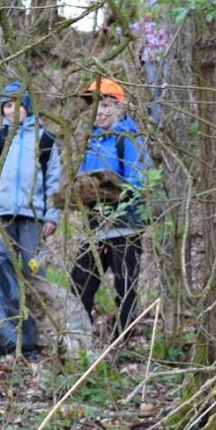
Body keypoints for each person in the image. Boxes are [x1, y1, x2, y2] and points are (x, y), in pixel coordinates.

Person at [69, 78, 153, 341]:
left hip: (125, 224)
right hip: (96, 225)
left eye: (106, 105)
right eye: (96, 106)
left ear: (120, 107)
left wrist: (112, 187)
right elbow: (82, 176)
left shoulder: (129, 139)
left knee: (125, 285)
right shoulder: (92, 141)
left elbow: (139, 180)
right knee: (80, 281)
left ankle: (122, 340)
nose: (100, 112)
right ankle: (77, 337)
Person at [0, 80, 62, 269]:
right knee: (1, 269)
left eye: (17, 104)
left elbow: (53, 181)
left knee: (34, 269)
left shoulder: (45, 139)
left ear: (27, 106)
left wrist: (51, 216)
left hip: (33, 216)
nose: (12, 110)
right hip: (0, 215)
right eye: (7, 106)